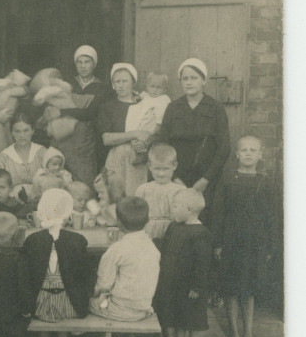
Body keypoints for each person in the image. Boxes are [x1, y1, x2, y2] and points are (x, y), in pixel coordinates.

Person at [211, 135, 278, 337]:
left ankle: (248, 333)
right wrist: (218, 243)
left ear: (260, 154)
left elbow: (272, 217)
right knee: (231, 288)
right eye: (244, 150)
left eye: (253, 150)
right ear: (237, 154)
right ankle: (234, 333)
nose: (248, 153)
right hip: (232, 241)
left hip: (256, 242)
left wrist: (269, 246)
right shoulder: (228, 179)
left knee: (249, 289)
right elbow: (219, 213)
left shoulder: (266, 182)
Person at [89, 196, 161, 337]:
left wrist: (92, 293)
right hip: (144, 308)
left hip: (120, 310)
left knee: (84, 307)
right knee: (112, 303)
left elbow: (102, 285)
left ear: (119, 223)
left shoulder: (117, 249)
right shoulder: (152, 247)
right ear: (147, 221)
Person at [21, 188, 90, 337]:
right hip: (70, 303)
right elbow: (83, 275)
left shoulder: (32, 240)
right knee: (64, 303)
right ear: (68, 214)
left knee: (45, 311)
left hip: (40, 303)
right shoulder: (78, 240)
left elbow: (26, 277)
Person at [158, 58, 230, 214]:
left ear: (203, 80)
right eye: (185, 79)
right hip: (177, 177)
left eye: (194, 78)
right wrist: (174, 178)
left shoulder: (216, 108)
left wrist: (206, 179)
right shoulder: (173, 108)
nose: (189, 82)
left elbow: (224, 148)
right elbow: (162, 145)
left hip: (208, 179)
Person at [153, 187, 213, 337]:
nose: (172, 210)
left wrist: (197, 287)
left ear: (188, 210)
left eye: (175, 206)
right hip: (173, 284)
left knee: (194, 318)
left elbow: (203, 264)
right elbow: (165, 247)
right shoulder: (174, 227)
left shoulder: (201, 234)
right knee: (178, 316)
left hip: (191, 287)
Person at [46, 46, 108, 186]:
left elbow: (91, 113)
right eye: (79, 62)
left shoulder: (102, 88)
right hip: (64, 139)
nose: (83, 66)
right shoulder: (67, 84)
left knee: (83, 180)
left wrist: (62, 112)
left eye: (87, 62)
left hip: (85, 141)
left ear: (94, 64)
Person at [98, 63, 158, 201]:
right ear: (113, 84)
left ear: (133, 82)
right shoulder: (108, 108)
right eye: (117, 81)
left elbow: (156, 132)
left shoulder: (146, 104)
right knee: (114, 197)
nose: (121, 85)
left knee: (136, 198)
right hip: (116, 158)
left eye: (124, 81)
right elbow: (107, 139)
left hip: (140, 158)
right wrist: (135, 133)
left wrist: (146, 143)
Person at [134, 144, 185, 242]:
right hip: (148, 233)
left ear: (175, 166)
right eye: (157, 168)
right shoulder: (143, 189)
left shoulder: (180, 190)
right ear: (150, 166)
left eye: (166, 168)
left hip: (173, 233)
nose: (161, 173)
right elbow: (137, 215)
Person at [0, 113, 47, 201]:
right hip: (13, 205)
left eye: (26, 130)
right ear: (12, 133)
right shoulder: (3, 157)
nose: (22, 135)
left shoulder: (42, 152)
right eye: (17, 131)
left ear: (33, 131)